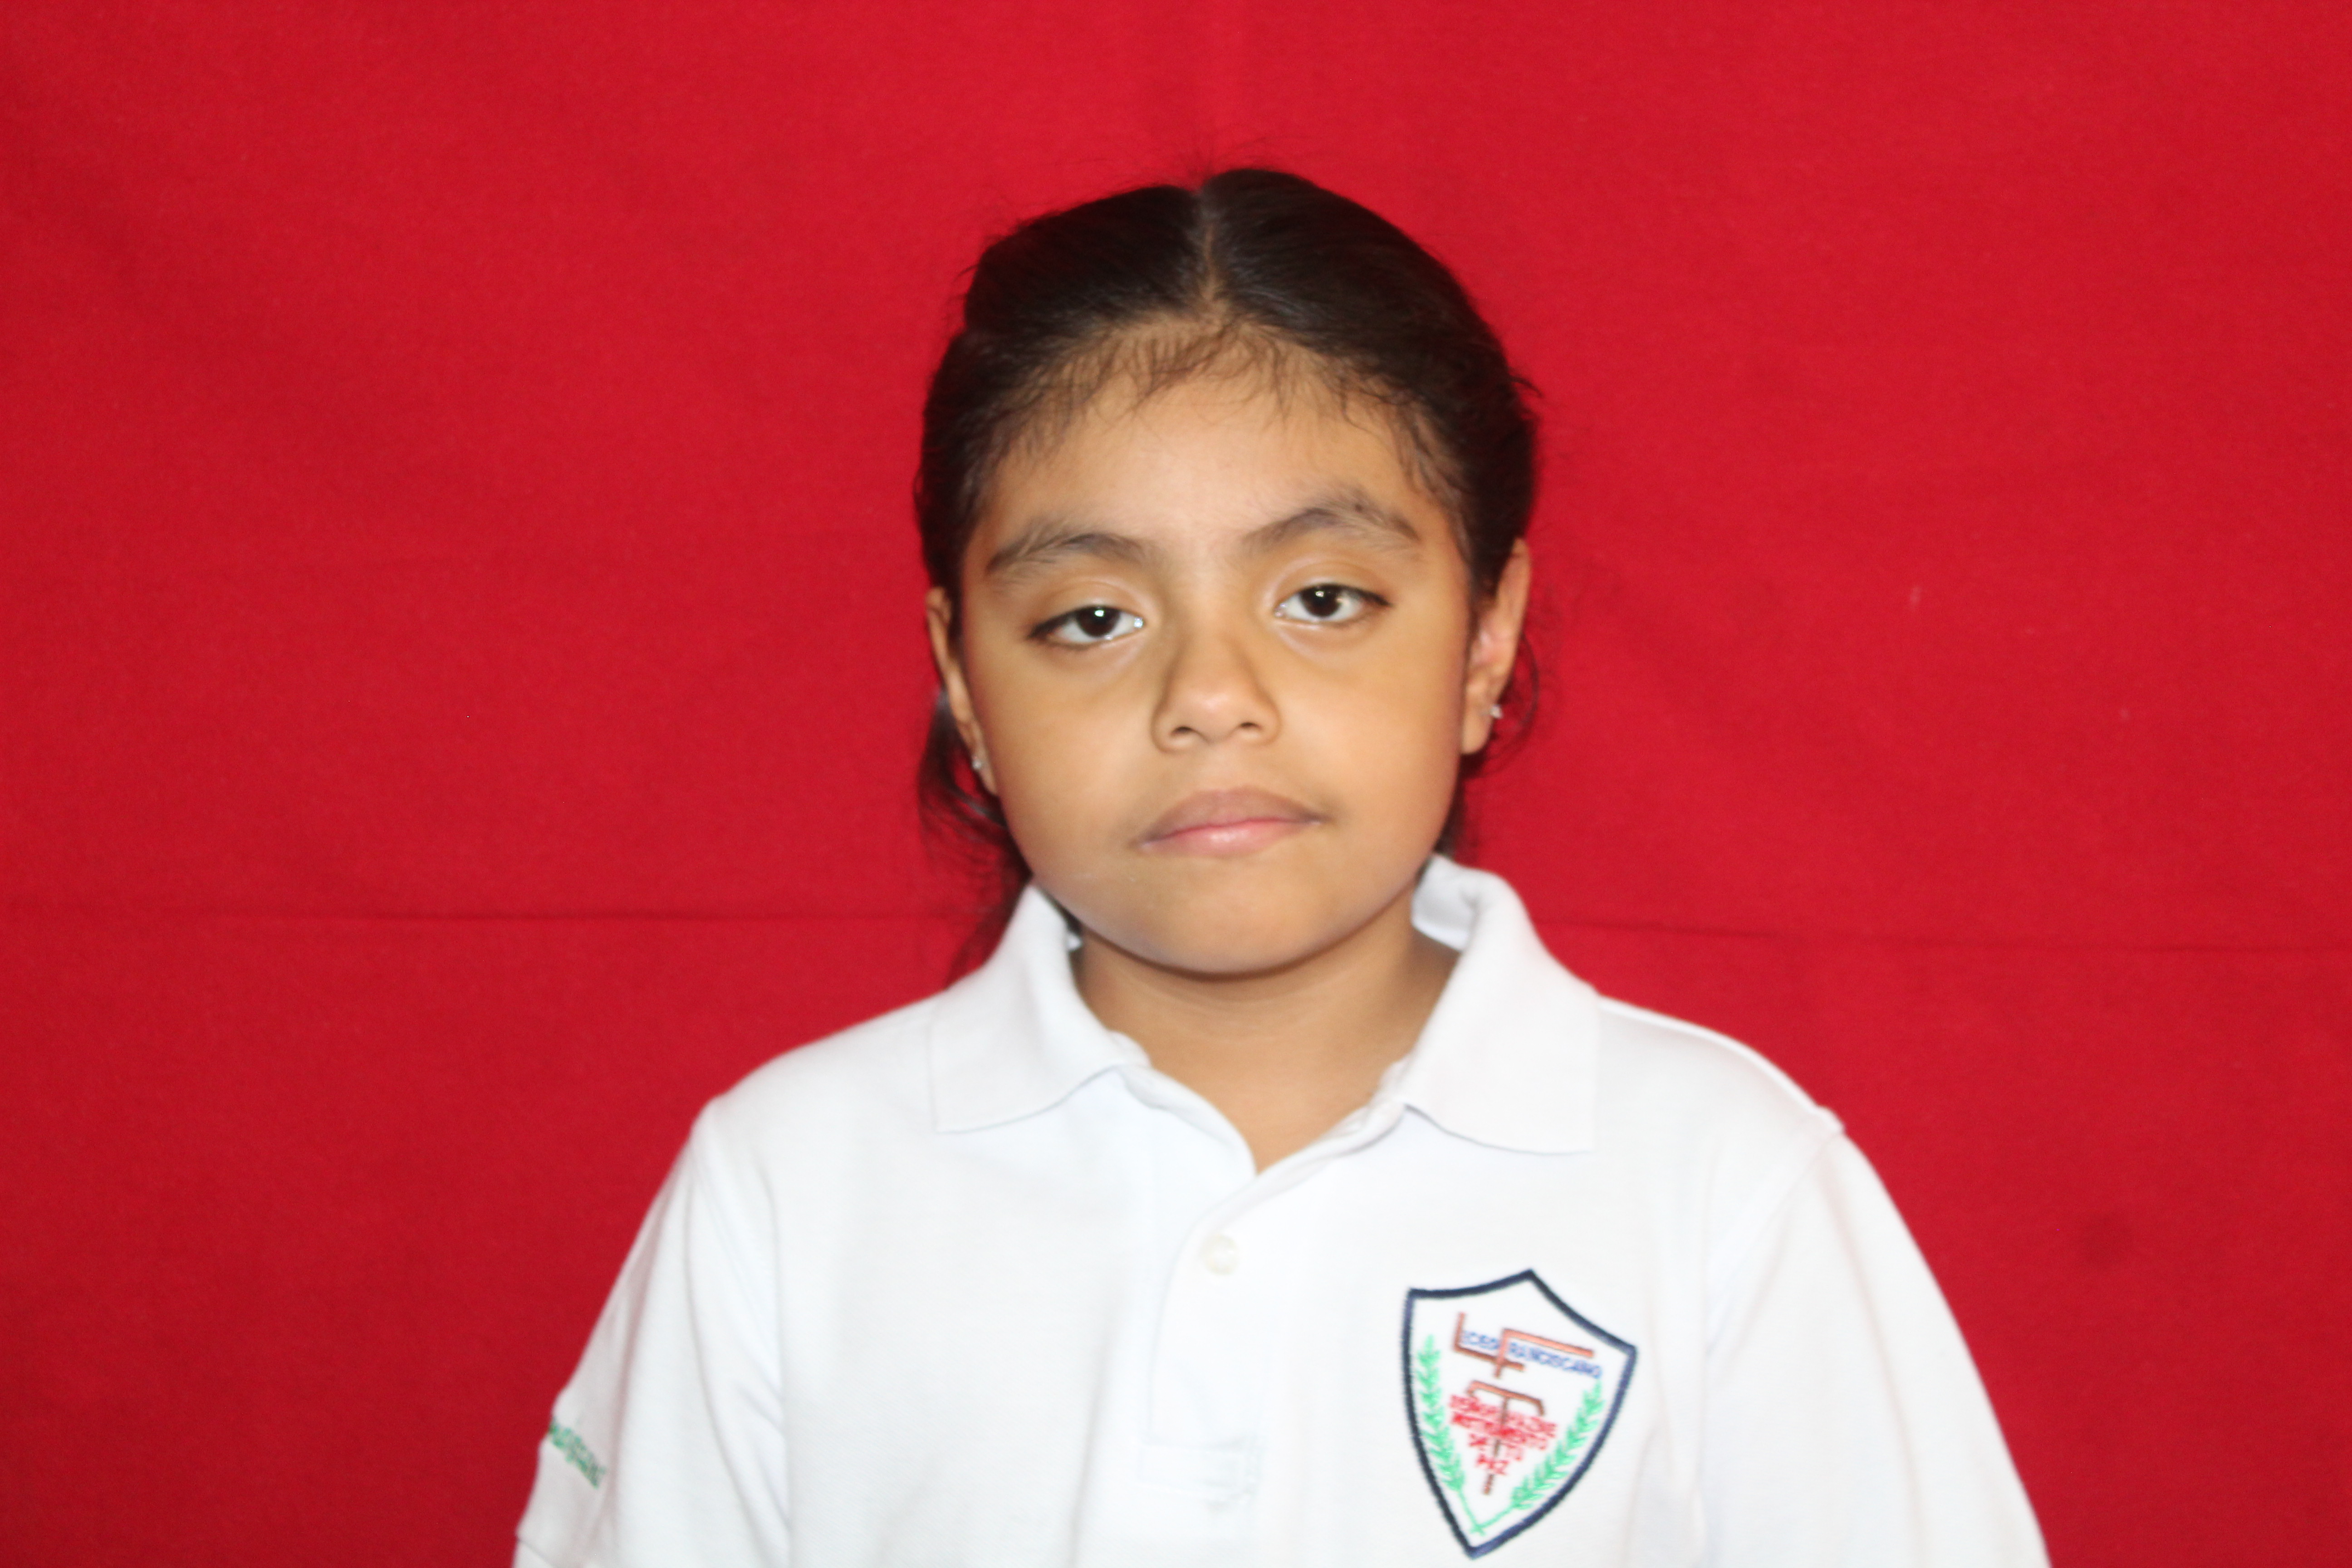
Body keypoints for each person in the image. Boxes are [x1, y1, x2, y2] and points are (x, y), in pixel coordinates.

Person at [514, 169, 2046, 1567]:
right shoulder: (793, 1185)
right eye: (1094, 619)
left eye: (1322, 598)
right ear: (966, 679)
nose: (1210, 695)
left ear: (1485, 638)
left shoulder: (1720, 1183)